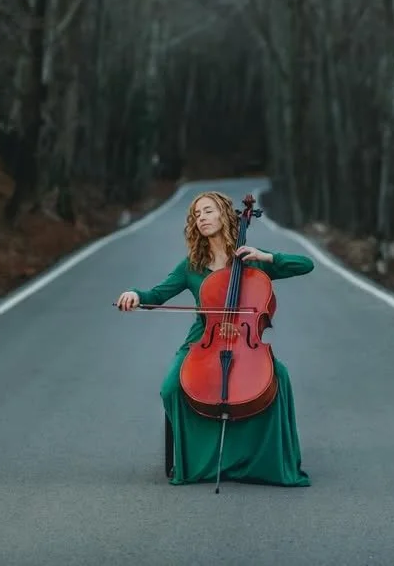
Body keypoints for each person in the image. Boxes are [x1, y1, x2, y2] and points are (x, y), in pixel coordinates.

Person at [116, 190, 315, 487]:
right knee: (172, 388)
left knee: (279, 378)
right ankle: (193, 461)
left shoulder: (250, 261)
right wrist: (135, 295)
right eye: (197, 215)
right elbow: (156, 295)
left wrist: (266, 256)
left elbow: (305, 265)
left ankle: (269, 461)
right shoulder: (192, 266)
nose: (202, 218)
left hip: (247, 342)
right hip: (203, 341)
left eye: (208, 211)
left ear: (224, 214)